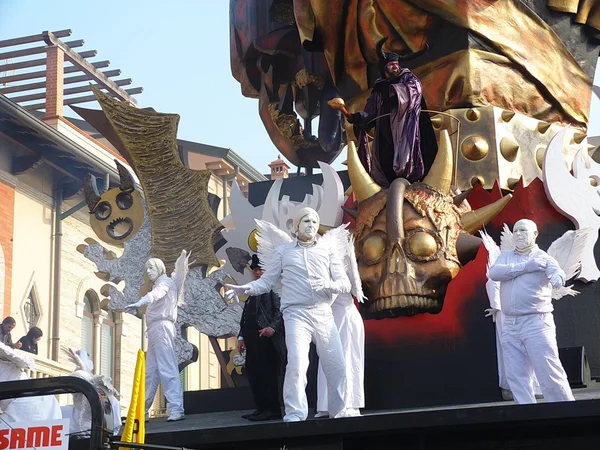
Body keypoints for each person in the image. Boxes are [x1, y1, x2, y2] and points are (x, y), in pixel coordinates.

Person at [225, 207, 351, 422]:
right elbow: (267, 281)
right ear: (296, 226)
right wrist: (246, 289)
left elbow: (345, 283)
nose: (311, 225)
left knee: (336, 363)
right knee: (297, 363)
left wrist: (328, 284)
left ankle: (341, 411)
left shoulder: (326, 251)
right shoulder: (284, 252)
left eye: (314, 221)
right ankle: (295, 413)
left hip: (322, 312)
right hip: (296, 314)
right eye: (306, 221)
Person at [488, 219, 575, 404]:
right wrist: (525, 267)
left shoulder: (543, 258)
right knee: (516, 374)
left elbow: (558, 273)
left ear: (535, 234)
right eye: (515, 230)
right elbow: (494, 273)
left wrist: (557, 278)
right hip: (511, 323)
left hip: (536, 322)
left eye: (523, 230)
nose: (518, 234)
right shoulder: (505, 257)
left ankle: (563, 412)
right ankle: (526, 412)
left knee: (548, 369)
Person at [344, 42, 437, 188]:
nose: (395, 67)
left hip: (406, 130)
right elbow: (370, 110)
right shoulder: (380, 87)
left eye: (396, 64)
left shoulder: (407, 78)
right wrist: (357, 118)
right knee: (386, 159)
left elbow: (414, 90)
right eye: (392, 64)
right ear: (384, 67)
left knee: (405, 159)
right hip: (385, 132)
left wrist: (395, 91)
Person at [125, 257, 185, 422]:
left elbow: (155, 295)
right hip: (154, 330)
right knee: (151, 371)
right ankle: (142, 409)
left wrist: (140, 302)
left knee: (167, 367)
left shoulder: (165, 282)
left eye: (151, 268)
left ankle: (176, 408)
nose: (148, 272)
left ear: (160, 268)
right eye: (147, 269)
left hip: (162, 328)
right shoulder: (160, 283)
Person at [238, 254, 285, 421]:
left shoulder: (273, 288)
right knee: (254, 374)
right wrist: (241, 337)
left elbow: (280, 311)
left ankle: (272, 409)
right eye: (255, 270)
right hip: (252, 340)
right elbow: (245, 316)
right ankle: (261, 407)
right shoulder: (252, 289)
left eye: (260, 270)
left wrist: (272, 328)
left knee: (267, 374)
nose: (257, 273)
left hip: (266, 340)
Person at [315, 291, 364, 418]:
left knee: (347, 359)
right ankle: (326, 404)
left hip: (345, 317)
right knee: (327, 359)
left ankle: (348, 403)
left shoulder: (345, 273)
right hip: (329, 318)